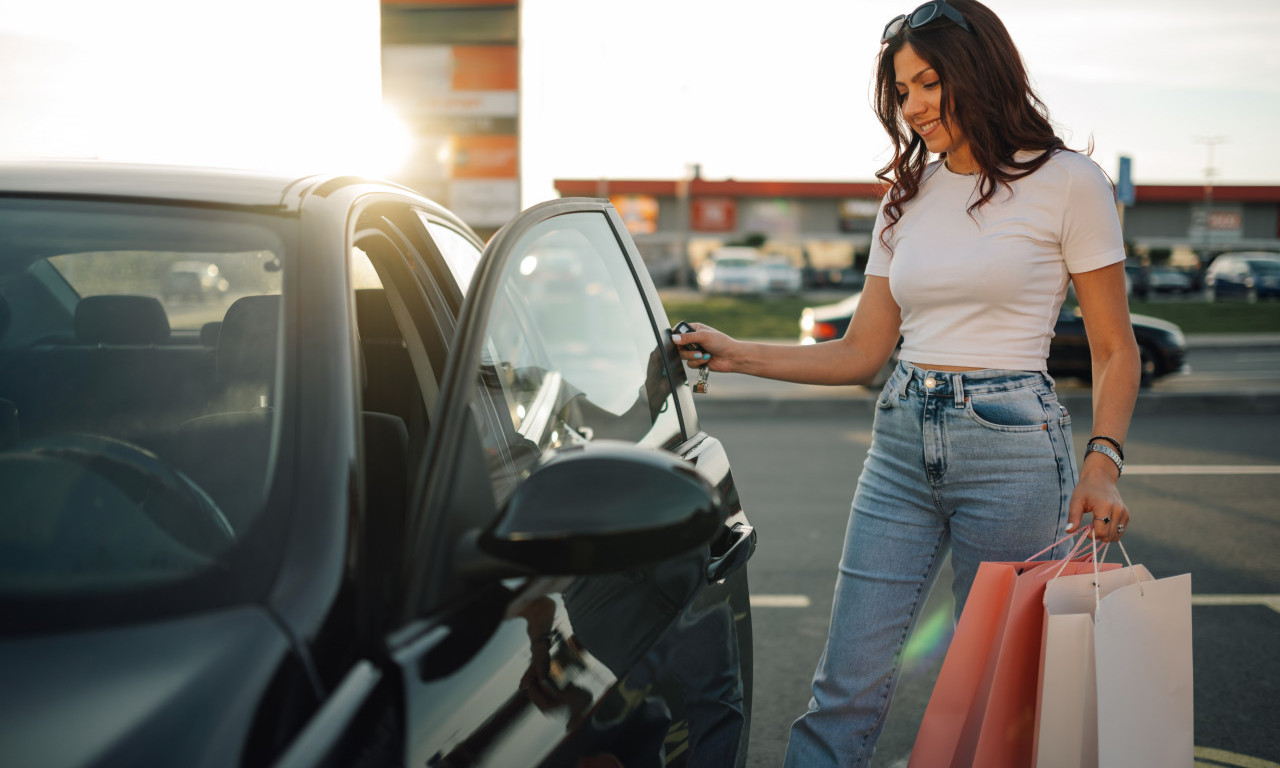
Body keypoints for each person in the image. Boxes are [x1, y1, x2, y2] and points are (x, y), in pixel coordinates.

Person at [669, 1, 1138, 765]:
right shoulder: (906, 195)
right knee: (843, 687)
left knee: (987, 695)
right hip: (898, 442)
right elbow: (860, 352)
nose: (911, 106)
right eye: (901, 90)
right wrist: (735, 351)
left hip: (1013, 448)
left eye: (928, 83)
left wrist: (1103, 463)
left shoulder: (1070, 183)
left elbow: (1117, 349)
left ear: (981, 75)